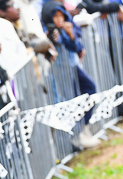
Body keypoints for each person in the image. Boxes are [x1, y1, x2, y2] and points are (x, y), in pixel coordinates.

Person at [42, 0, 100, 148]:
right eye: (56, 17)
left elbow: (76, 46)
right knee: (71, 100)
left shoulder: (68, 25)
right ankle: (76, 137)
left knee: (90, 89)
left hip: (73, 66)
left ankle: (84, 128)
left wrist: (71, 34)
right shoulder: (51, 30)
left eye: (62, 16)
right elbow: (60, 41)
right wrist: (65, 35)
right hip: (61, 71)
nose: (59, 20)